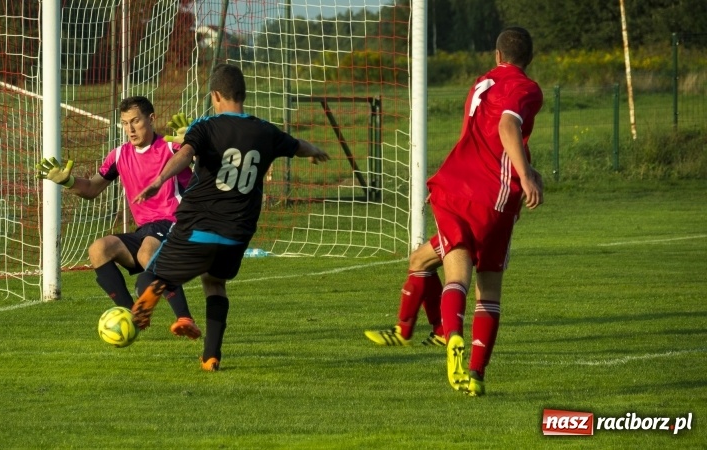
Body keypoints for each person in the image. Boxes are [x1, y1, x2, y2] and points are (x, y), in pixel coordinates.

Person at [129, 63, 330, 371]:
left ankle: (154, 293)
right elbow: (297, 145)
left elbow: (183, 154)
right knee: (215, 284)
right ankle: (211, 356)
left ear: (216, 95)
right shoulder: (266, 131)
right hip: (237, 236)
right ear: (244, 94)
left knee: (150, 275)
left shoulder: (206, 126)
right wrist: (315, 149)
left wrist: (158, 180)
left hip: (198, 228)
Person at [430, 27, 544, 396]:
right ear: (530, 59)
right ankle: (476, 374)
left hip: (452, 186)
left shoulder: (482, 83)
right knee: (489, 288)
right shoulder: (528, 88)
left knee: (456, 272)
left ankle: (451, 338)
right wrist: (524, 175)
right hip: (493, 196)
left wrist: (527, 168)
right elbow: (509, 124)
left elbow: (497, 130)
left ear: (497, 56)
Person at [36, 96, 202, 339]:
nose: (130, 129)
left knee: (147, 252)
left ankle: (185, 318)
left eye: (135, 121)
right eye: (125, 123)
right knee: (99, 249)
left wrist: (193, 143)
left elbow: (200, 159)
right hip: (145, 229)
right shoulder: (119, 155)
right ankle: (130, 317)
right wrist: (67, 181)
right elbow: (92, 188)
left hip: (177, 224)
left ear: (152, 119)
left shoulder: (170, 146)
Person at [364, 235, 445, 347]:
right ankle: (442, 333)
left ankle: (403, 332)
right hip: (465, 226)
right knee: (424, 263)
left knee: (419, 260)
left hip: (466, 228)